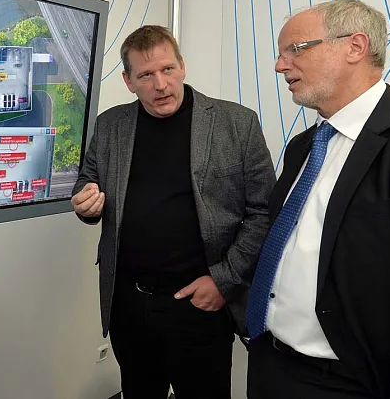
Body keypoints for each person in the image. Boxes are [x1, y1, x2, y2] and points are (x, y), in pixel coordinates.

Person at [245, 0, 390, 399]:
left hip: (354, 383)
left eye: (295, 49)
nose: (279, 65)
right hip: (268, 362)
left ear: (355, 47)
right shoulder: (302, 147)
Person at [71, 25, 275, 399]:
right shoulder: (111, 125)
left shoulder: (236, 123)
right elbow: (88, 184)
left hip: (200, 305)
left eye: (167, 69)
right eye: (146, 75)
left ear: (182, 66)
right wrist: (85, 203)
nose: (161, 85)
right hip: (129, 305)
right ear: (129, 81)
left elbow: (263, 212)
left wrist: (224, 280)